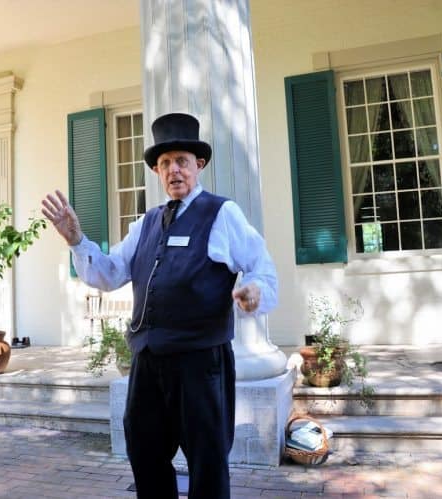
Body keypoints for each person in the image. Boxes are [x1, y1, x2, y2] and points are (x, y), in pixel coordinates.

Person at [42, 112, 278, 499]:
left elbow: (262, 270)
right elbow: (110, 272)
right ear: (156, 171)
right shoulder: (146, 223)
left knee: (207, 460)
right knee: (145, 451)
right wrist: (76, 240)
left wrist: (254, 292)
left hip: (200, 362)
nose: (174, 170)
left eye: (182, 161)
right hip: (149, 362)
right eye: (165, 163)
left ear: (198, 165)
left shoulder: (222, 213)